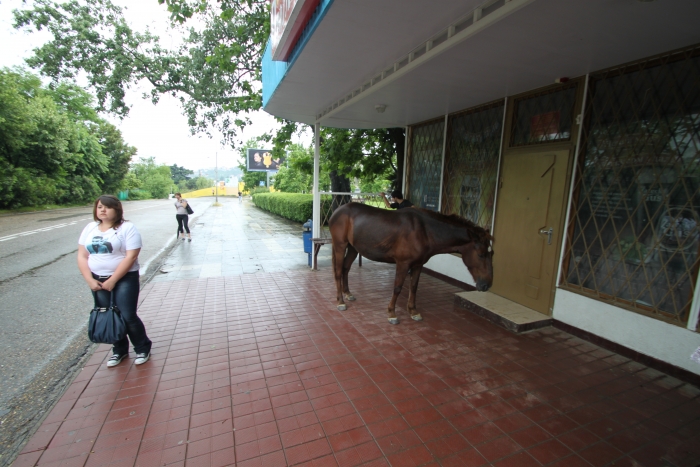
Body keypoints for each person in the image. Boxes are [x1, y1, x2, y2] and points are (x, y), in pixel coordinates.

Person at [77, 195, 152, 367]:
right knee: (109, 314)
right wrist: (89, 279)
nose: (102, 210)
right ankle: (119, 350)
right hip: (97, 279)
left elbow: (131, 256)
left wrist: (113, 280)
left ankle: (142, 347)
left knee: (127, 315)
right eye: (99, 207)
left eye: (107, 207)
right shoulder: (90, 228)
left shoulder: (127, 228)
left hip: (125, 278)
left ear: (117, 210)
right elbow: (82, 255)